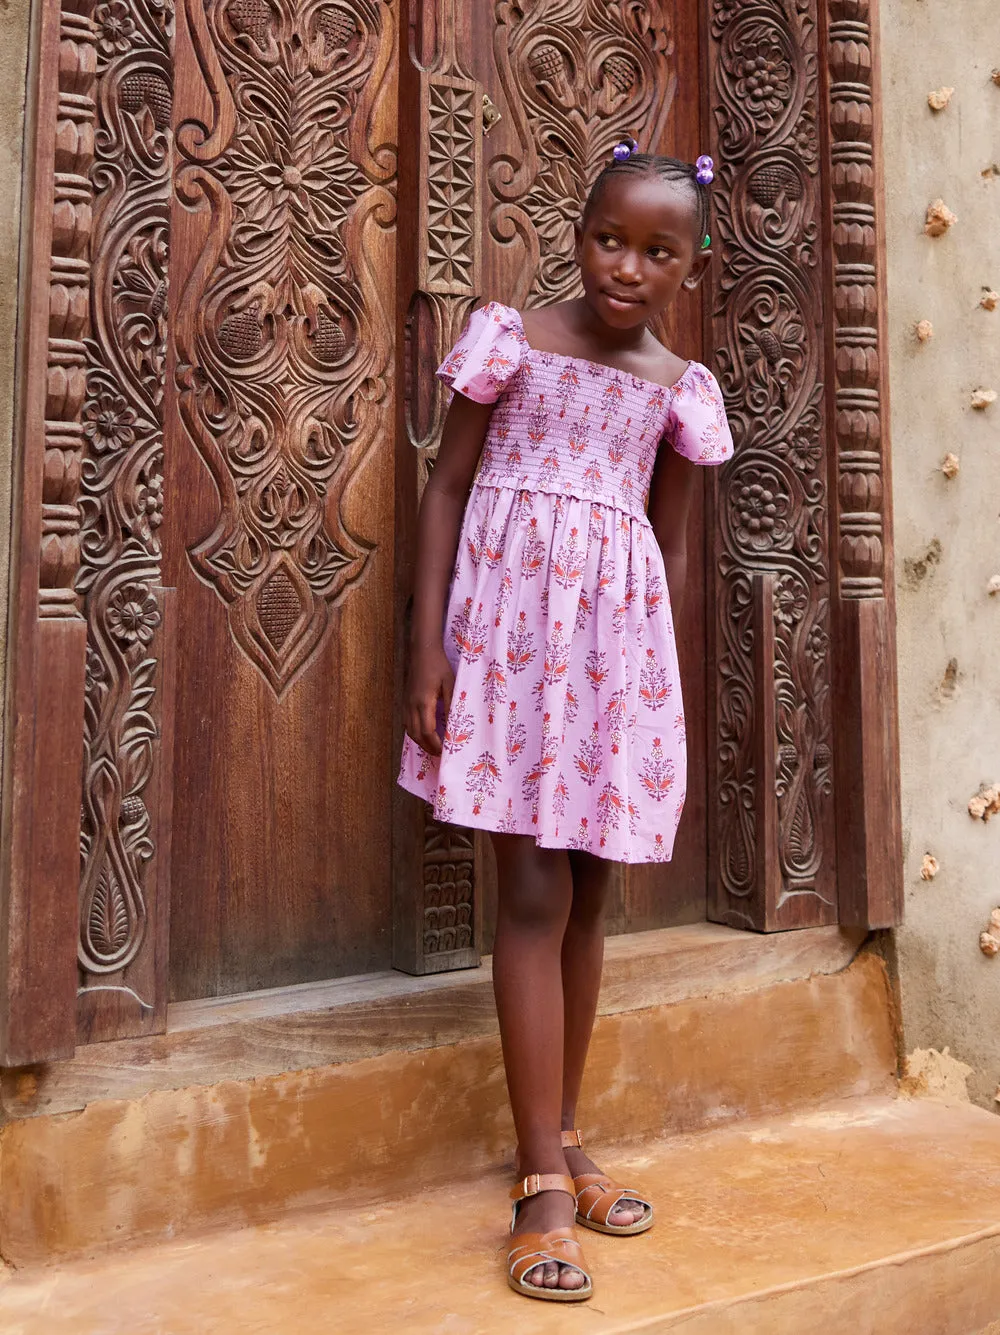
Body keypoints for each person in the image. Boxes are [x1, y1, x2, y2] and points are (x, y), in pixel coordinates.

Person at [399, 141, 734, 1303]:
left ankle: (560, 1131)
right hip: (504, 653)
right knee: (533, 893)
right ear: (578, 230)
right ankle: (541, 1184)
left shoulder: (678, 390)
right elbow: (445, 490)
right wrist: (425, 648)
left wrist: (658, 704)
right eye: (608, 239)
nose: (625, 268)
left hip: (613, 667)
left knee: (590, 896)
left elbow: (675, 549)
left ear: (691, 267)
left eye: (655, 252)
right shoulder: (514, 341)